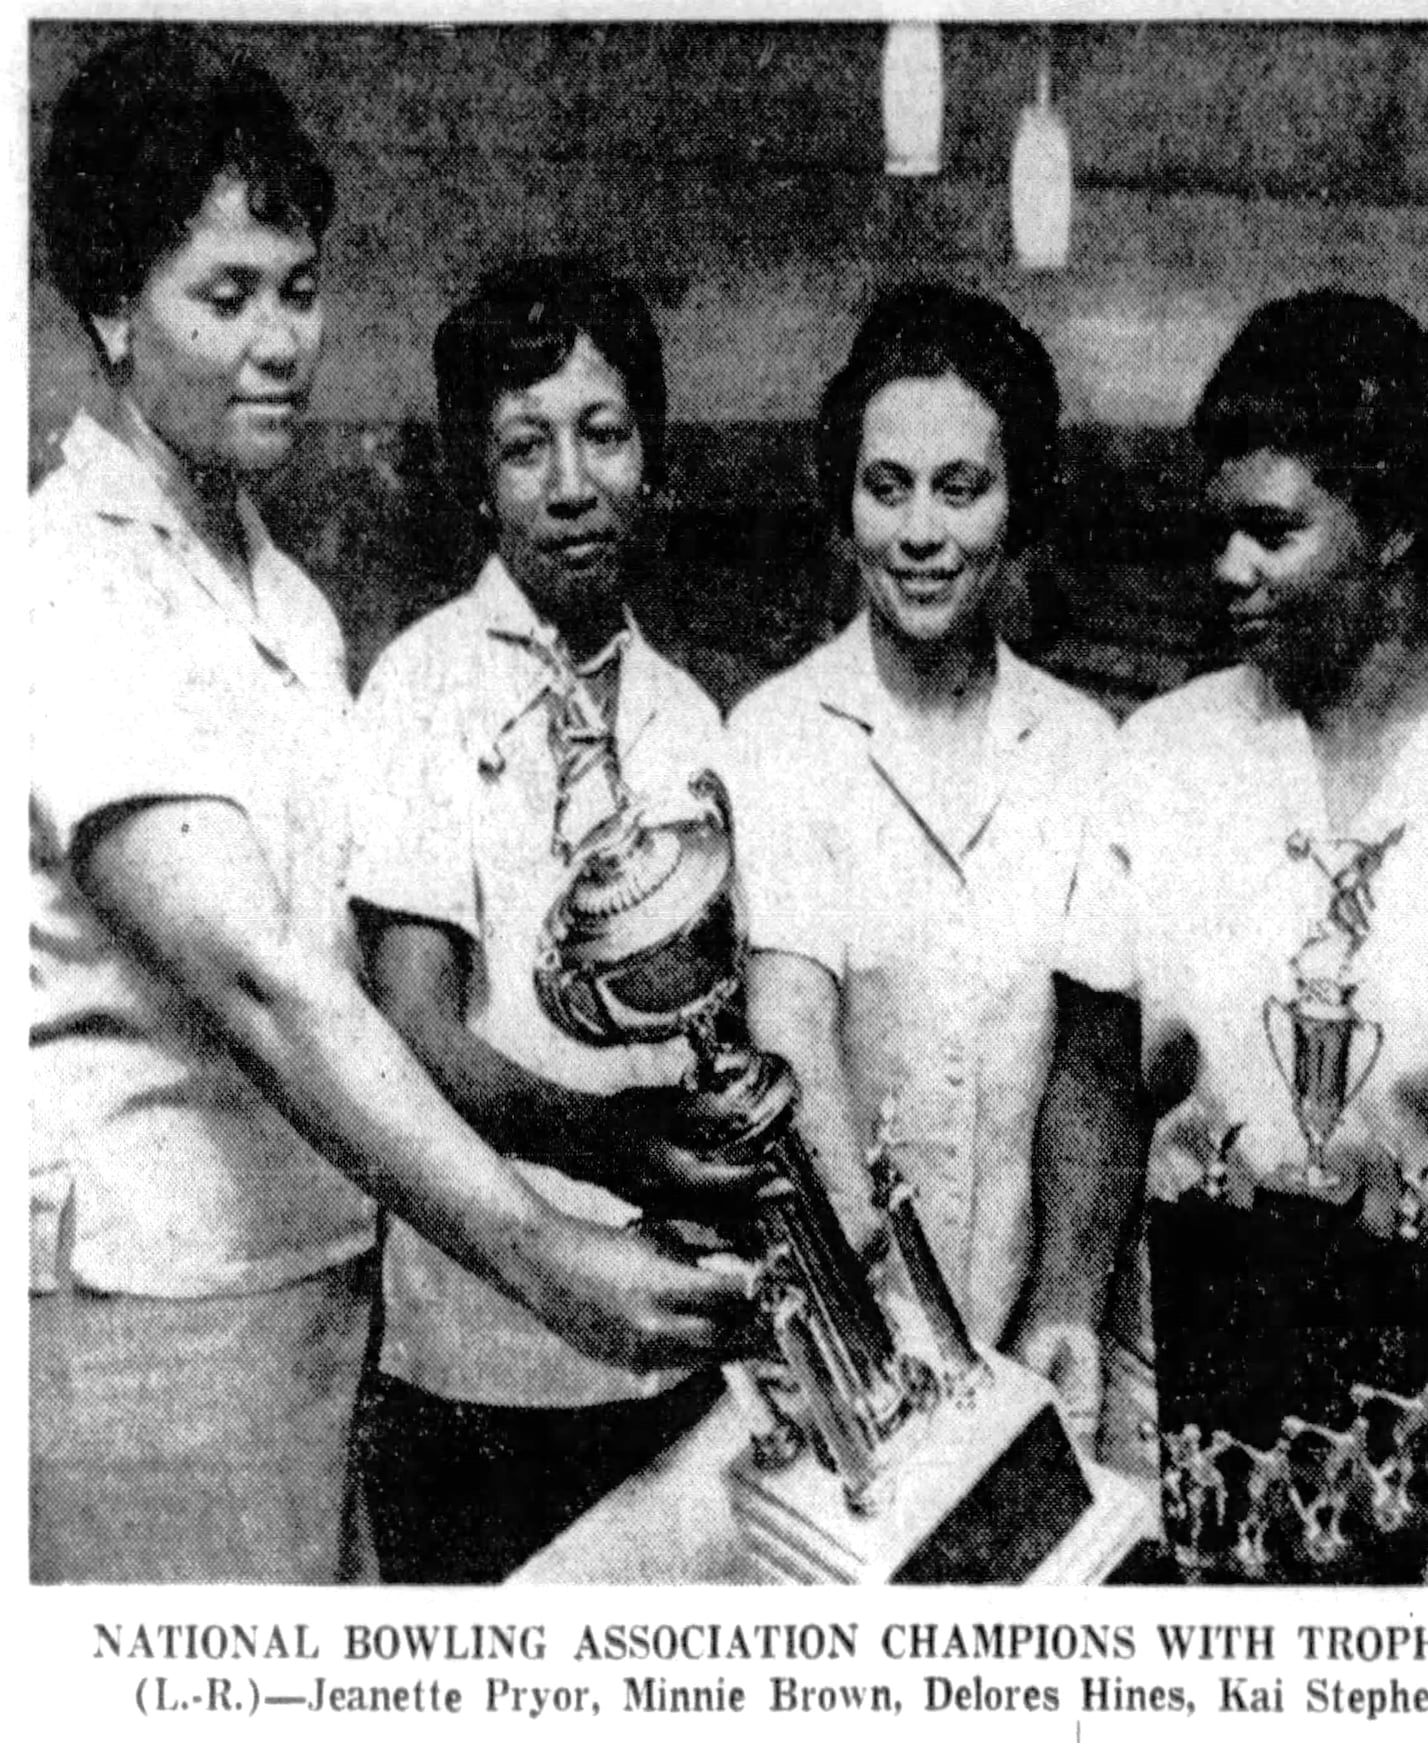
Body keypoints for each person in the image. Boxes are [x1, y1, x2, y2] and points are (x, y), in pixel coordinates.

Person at [28, 32, 753, 1585]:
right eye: (224, 297)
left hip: (316, 1287)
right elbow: (264, 984)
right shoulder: (67, 578)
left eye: (297, 287)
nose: (280, 340)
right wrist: (540, 1248)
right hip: (154, 1314)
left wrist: (617, 1160)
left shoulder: (284, 600)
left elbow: (339, 978)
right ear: (109, 313)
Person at [1058, 290, 1428, 1579]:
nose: (1228, 568)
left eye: (1272, 531)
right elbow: (1094, 1078)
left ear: (1394, 526)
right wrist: (1065, 1302)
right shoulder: (1161, 758)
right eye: (1217, 529)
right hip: (1188, 1419)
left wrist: (1410, 1430)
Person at [347, 259, 757, 1583]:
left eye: (604, 434)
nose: (570, 485)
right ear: (476, 476)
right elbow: (408, 1022)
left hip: (669, 1351)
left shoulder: (693, 717)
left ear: (655, 455)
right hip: (476, 1365)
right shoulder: (418, 687)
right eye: (526, 447)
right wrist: (605, 1143)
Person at [725, 284, 1142, 1434]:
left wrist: (1062, 1305)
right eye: (886, 486)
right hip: (843, 1333)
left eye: (961, 489)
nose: (919, 532)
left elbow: (1097, 1063)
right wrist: (886, 1336)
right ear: (843, 495)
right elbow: (790, 1035)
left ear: (1017, 503)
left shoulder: (1084, 748)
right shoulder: (775, 734)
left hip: (1027, 1334)